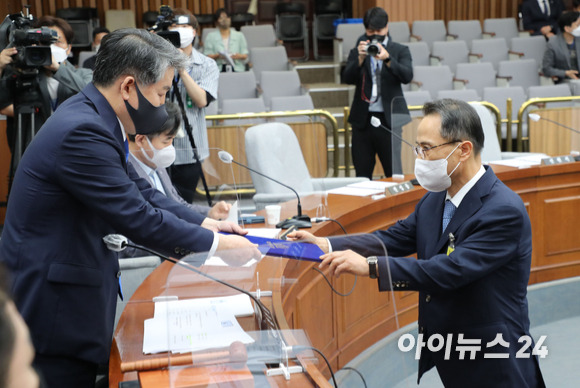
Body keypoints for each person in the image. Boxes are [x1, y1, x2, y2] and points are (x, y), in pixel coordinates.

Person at [0, 28, 256, 388]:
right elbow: (135, 216)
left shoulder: (94, 115)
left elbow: (140, 192)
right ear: (128, 87)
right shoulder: (83, 131)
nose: (164, 103)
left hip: (71, 296)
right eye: (162, 93)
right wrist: (217, 247)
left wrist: (207, 224)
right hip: (52, 310)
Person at [289, 99, 546, 387]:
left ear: (463, 150)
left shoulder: (503, 210)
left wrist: (371, 267)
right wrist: (328, 244)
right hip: (453, 349)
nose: (420, 158)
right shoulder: (435, 199)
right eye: (418, 148)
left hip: (495, 357)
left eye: (427, 149)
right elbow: (392, 238)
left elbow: (450, 270)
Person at [0, 16, 93, 163]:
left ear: (69, 48)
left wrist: (56, 68)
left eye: (57, 41)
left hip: (74, 150)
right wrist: (0, 67)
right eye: (44, 42)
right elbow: (3, 105)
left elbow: (92, 94)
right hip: (35, 151)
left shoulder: (84, 74)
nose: (50, 47)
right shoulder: (24, 76)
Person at [128, 101, 231, 220]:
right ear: (141, 140)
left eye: (173, 140)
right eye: (166, 141)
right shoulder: (126, 172)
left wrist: (209, 213)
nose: (170, 147)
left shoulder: (155, 163)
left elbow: (178, 205)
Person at [343, 7, 413, 180]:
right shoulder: (359, 49)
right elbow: (346, 77)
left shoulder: (399, 50)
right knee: (362, 175)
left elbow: (407, 76)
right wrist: (359, 59)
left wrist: (388, 59)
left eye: (379, 31)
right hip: (362, 121)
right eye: (370, 31)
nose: (375, 35)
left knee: (393, 173)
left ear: (387, 27)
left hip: (389, 121)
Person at [168, 8, 220, 203]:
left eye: (185, 26)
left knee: (184, 204)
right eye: (175, 27)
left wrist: (181, 69)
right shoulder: (157, 62)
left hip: (190, 149)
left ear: (195, 31)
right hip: (157, 146)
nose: (180, 30)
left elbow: (201, 100)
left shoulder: (207, 65)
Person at [203, 8, 249, 72]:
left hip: (237, 68)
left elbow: (245, 55)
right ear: (217, 21)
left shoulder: (239, 35)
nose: (224, 20)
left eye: (227, 17)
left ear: (230, 19)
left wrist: (238, 56)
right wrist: (218, 56)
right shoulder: (210, 36)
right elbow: (206, 57)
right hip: (218, 69)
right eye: (221, 18)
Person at [542, 11, 580, 83]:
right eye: (578, 25)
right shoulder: (553, 43)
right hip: (564, 81)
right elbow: (546, 69)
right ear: (567, 28)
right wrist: (565, 73)